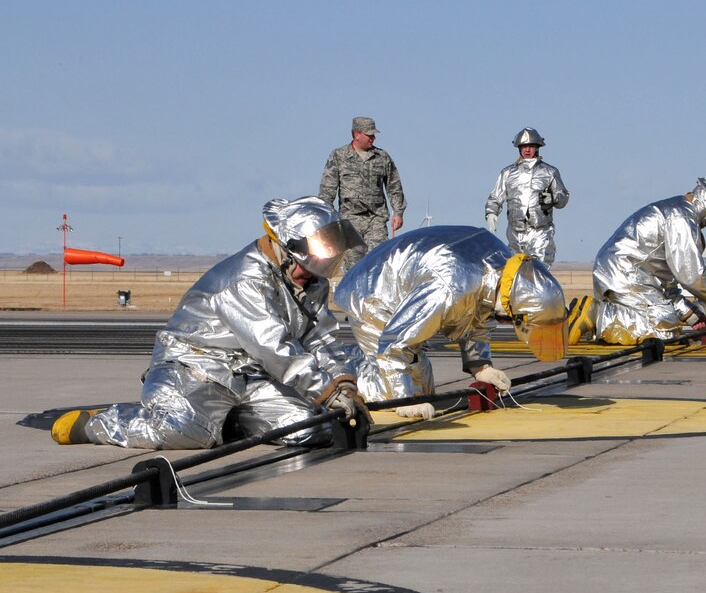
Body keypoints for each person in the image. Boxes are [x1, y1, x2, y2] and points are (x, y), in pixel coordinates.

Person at [51, 197, 363, 448]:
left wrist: (344, 382)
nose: (317, 272)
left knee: (311, 429)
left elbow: (321, 339)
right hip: (195, 368)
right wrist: (327, 390)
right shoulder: (245, 279)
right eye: (312, 263)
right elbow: (273, 348)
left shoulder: (311, 283)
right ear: (286, 250)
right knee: (183, 432)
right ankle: (99, 423)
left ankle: (223, 422)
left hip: (251, 376)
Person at [334, 225, 569, 421]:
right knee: (387, 397)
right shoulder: (449, 289)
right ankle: (338, 373)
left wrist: (481, 367)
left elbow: (478, 316)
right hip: (372, 293)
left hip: (407, 285)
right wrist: (402, 399)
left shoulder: (502, 272)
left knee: (424, 390)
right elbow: (395, 342)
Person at [569, 178, 706, 346]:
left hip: (630, 273)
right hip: (625, 272)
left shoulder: (679, 212)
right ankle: (595, 314)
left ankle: (594, 318)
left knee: (668, 320)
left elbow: (668, 284)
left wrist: (692, 317)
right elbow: (692, 277)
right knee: (663, 331)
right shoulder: (681, 218)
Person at [319, 116, 407, 271]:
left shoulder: (382, 157)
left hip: (376, 219)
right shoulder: (338, 156)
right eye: (369, 134)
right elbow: (327, 189)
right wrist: (326, 218)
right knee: (353, 267)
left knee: (378, 262)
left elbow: (394, 186)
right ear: (357, 134)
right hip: (350, 220)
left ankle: (375, 295)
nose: (373, 138)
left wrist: (398, 212)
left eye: (374, 134)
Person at [484, 127, 569, 267]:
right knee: (515, 270)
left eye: (531, 146)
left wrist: (554, 198)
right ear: (519, 148)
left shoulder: (549, 172)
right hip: (515, 232)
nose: (527, 149)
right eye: (524, 146)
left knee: (538, 270)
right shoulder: (507, 173)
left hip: (540, 231)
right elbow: (496, 196)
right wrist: (491, 212)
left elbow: (563, 197)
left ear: (537, 147)